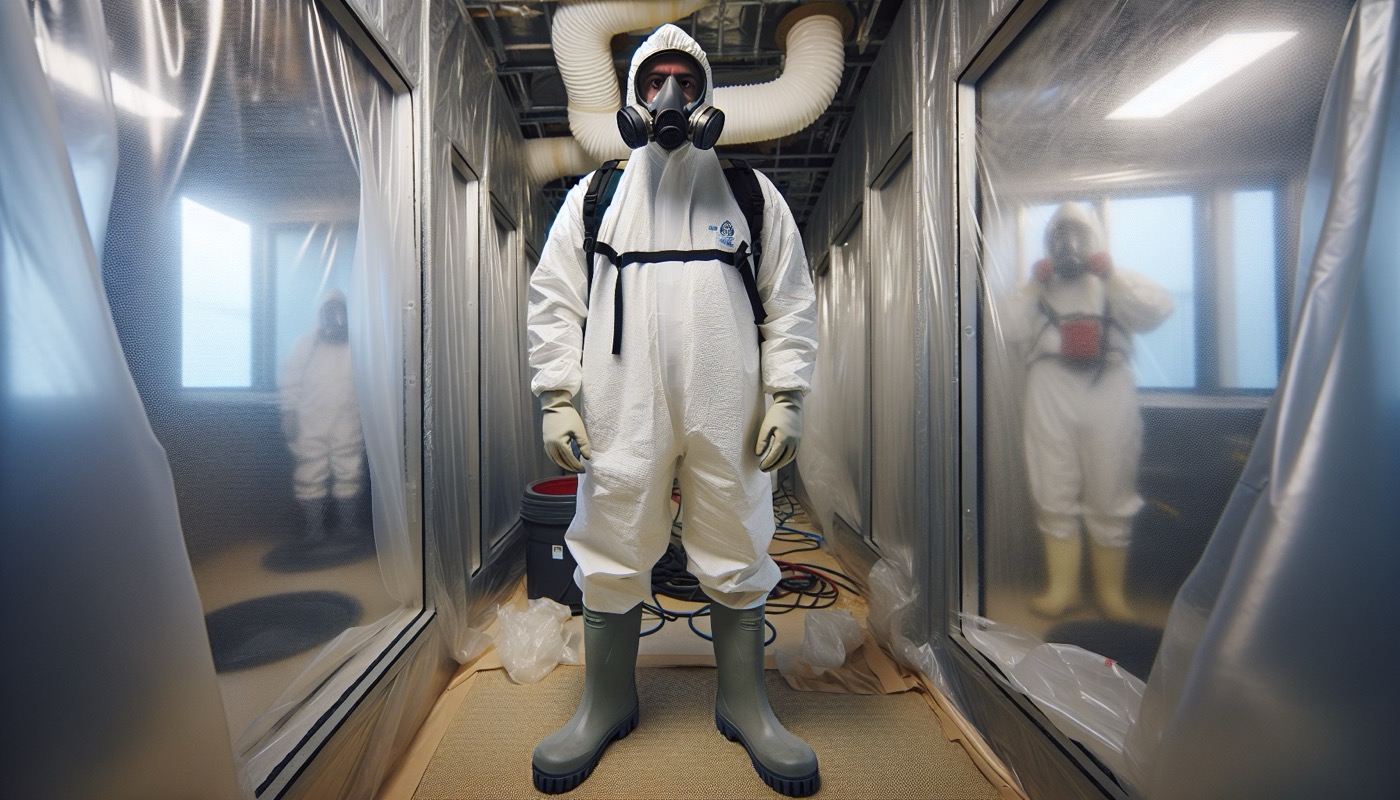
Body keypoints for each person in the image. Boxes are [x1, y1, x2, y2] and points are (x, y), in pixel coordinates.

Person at [526, 24, 819, 797]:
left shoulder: (750, 197)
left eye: (685, 81)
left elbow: (790, 302)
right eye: (654, 79)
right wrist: (557, 397)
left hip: (727, 405)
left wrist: (786, 396)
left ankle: (743, 701)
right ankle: (606, 701)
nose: (669, 97)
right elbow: (555, 301)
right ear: (630, 96)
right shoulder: (597, 200)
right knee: (614, 532)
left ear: (707, 94)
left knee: (735, 532)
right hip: (624, 404)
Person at [1006, 203, 1173, 622]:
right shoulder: (1038, 290)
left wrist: (1110, 275)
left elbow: (1157, 308)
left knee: (1111, 480)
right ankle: (1062, 590)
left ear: (1095, 239)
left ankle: (1110, 595)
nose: (1070, 245)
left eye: (1079, 235)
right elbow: (1006, 327)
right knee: (1051, 479)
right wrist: (1031, 285)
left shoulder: (1113, 285)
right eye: (1061, 236)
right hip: (1051, 384)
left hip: (1108, 384)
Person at [279, 290, 365, 544]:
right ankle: (314, 531)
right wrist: (289, 412)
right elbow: (290, 380)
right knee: (310, 471)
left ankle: (347, 529)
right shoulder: (305, 345)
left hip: (347, 421)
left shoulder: (358, 345)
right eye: (330, 310)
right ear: (320, 314)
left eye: (341, 310)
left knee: (349, 471)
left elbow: (369, 383)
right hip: (310, 421)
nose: (336, 316)